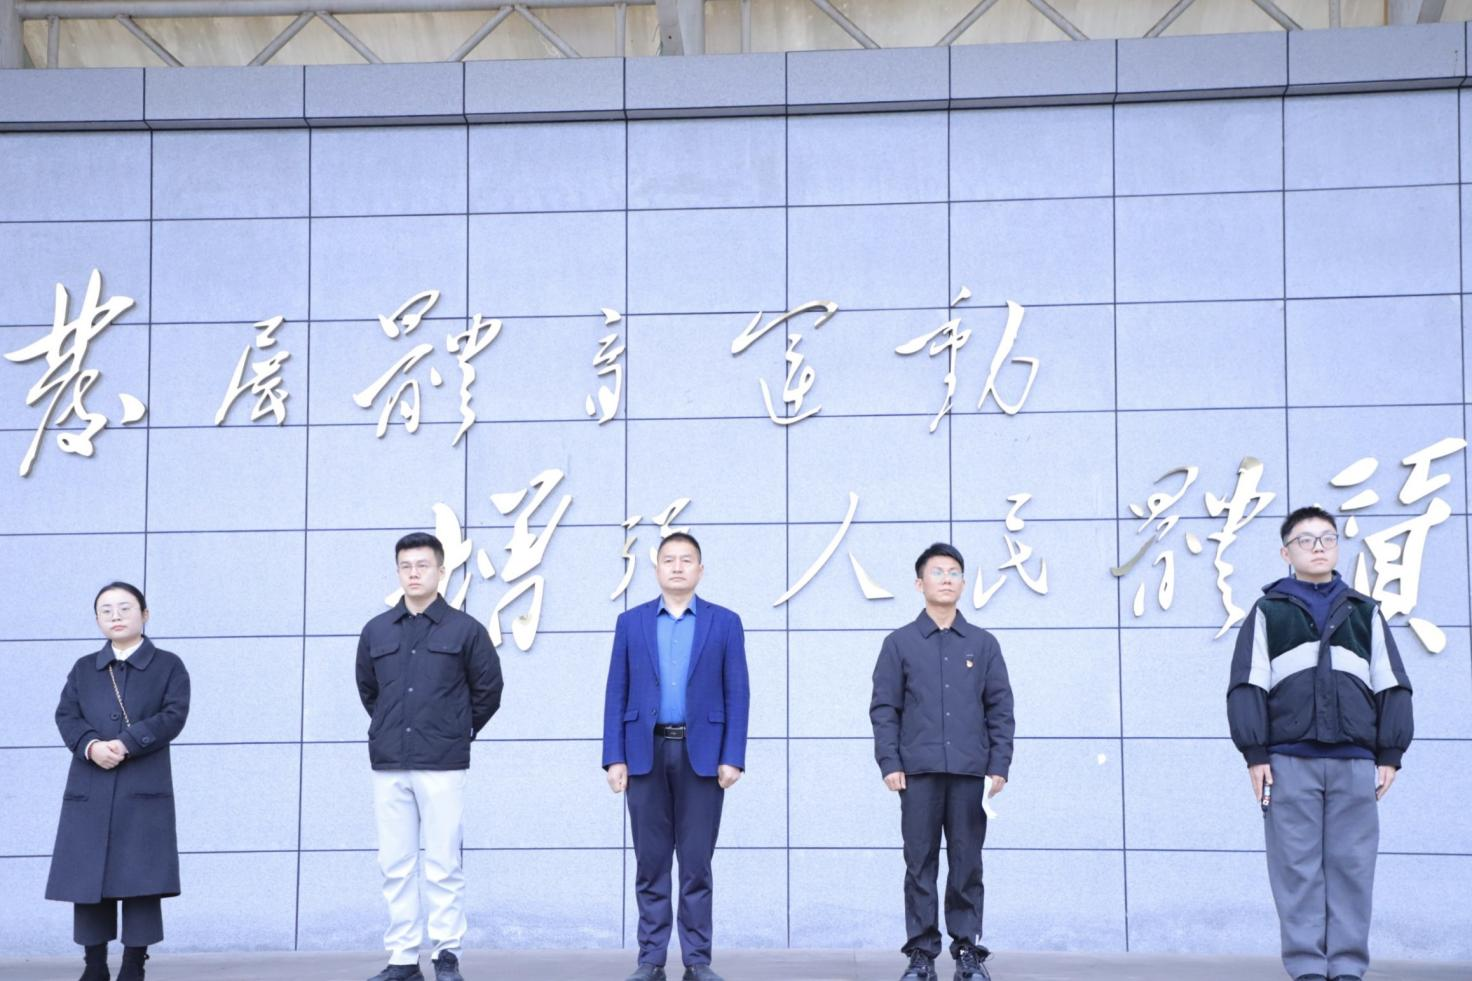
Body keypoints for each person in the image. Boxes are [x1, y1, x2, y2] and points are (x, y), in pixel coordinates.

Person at [1227, 506, 1414, 981]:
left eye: (1327, 538)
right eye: (1305, 540)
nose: (1318, 547)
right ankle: (1308, 966)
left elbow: (1391, 682)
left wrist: (1390, 753)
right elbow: (1247, 684)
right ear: (1285, 552)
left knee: (1353, 866)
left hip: (1354, 761)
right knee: (1295, 867)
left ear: (1337, 546)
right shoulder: (1268, 612)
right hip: (1287, 761)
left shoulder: (1365, 612)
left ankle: (1347, 966)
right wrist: (1255, 754)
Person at [601, 532, 750, 981]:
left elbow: (738, 693)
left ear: (700, 570)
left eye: (687, 560)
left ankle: (697, 960)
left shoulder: (725, 623)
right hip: (644, 753)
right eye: (669, 560)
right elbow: (616, 691)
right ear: (656, 570)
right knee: (650, 863)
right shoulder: (631, 623)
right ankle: (650, 960)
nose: (678, 567)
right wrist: (614, 757)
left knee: (696, 864)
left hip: (701, 755)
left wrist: (733, 756)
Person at [356, 533, 504, 981]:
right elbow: (369, 691)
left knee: (443, 863)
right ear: (397, 572)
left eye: (422, 565)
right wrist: (391, 726)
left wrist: (456, 729)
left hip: (443, 762)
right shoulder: (377, 630)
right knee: (395, 864)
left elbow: (489, 690)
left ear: (441, 571)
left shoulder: (465, 630)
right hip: (390, 762)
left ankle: (446, 954)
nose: (414, 573)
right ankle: (403, 957)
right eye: (406, 566)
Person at [871, 543, 1014, 981]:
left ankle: (967, 950)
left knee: (967, 863)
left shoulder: (983, 644)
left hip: (971, 772)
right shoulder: (899, 643)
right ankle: (921, 954)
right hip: (918, 773)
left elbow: (1000, 708)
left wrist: (999, 765)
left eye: (954, 572)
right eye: (937, 572)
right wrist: (889, 762)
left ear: (964, 584)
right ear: (920, 584)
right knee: (920, 864)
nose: (946, 578)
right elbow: (884, 709)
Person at [47, 582, 191, 981]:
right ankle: (94, 965)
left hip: (142, 786)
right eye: (106, 609)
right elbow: (66, 715)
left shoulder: (168, 665)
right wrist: (90, 746)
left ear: (144, 614)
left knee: (141, 879)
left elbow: (174, 715)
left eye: (125, 608)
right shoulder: (83, 668)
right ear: (97, 619)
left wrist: (128, 743)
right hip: (90, 784)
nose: (115, 616)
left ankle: (133, 964)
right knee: (87, 878)